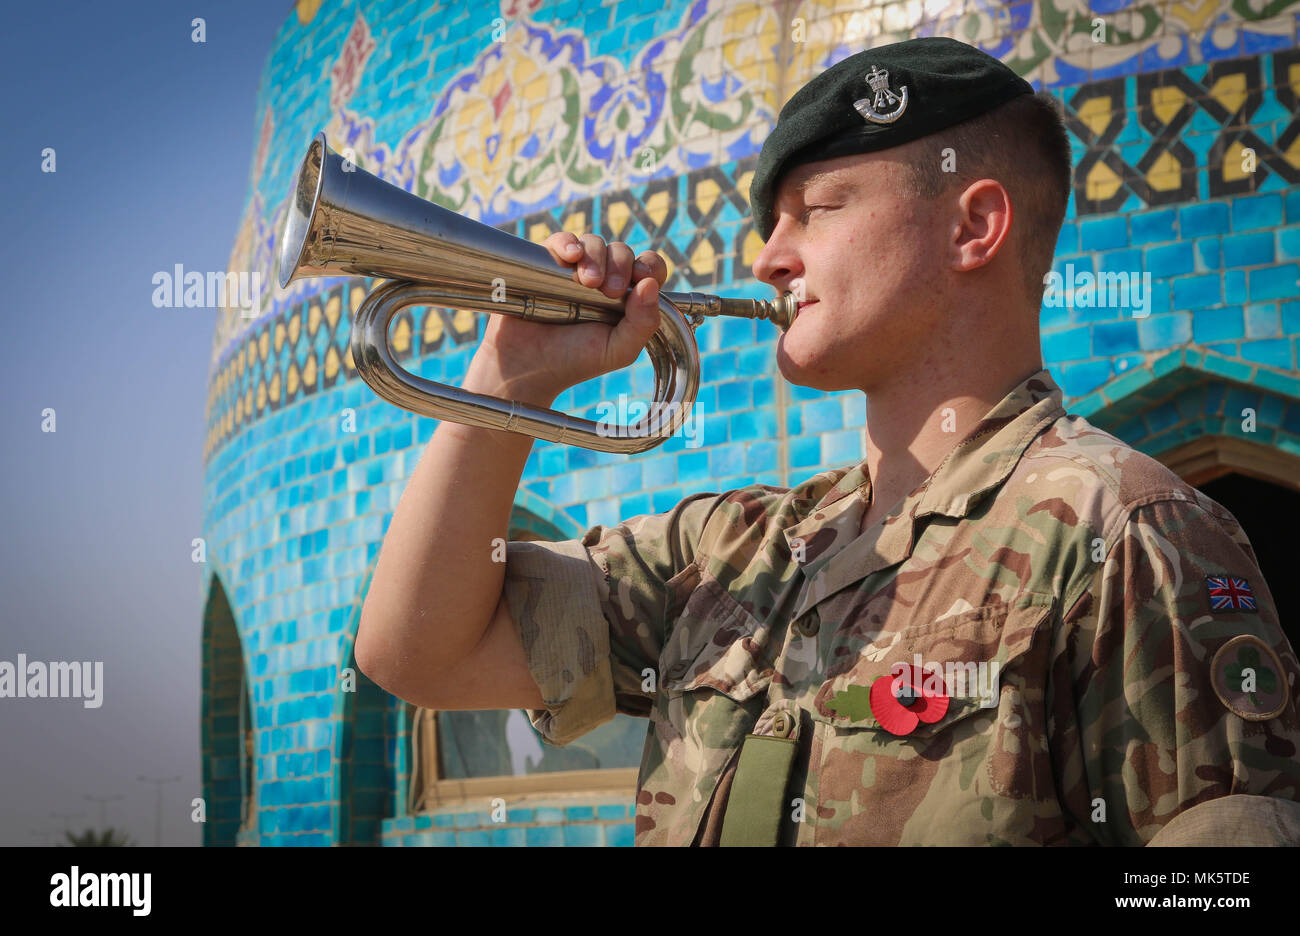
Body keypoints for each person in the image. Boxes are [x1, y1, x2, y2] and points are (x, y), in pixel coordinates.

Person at [354, 37, 1300, 845]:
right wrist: (507, 381)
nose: (769, 258)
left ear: (974, 225)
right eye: (773, 223)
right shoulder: (734, 551)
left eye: (821, 209)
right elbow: (419, 654)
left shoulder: (1127, 535)